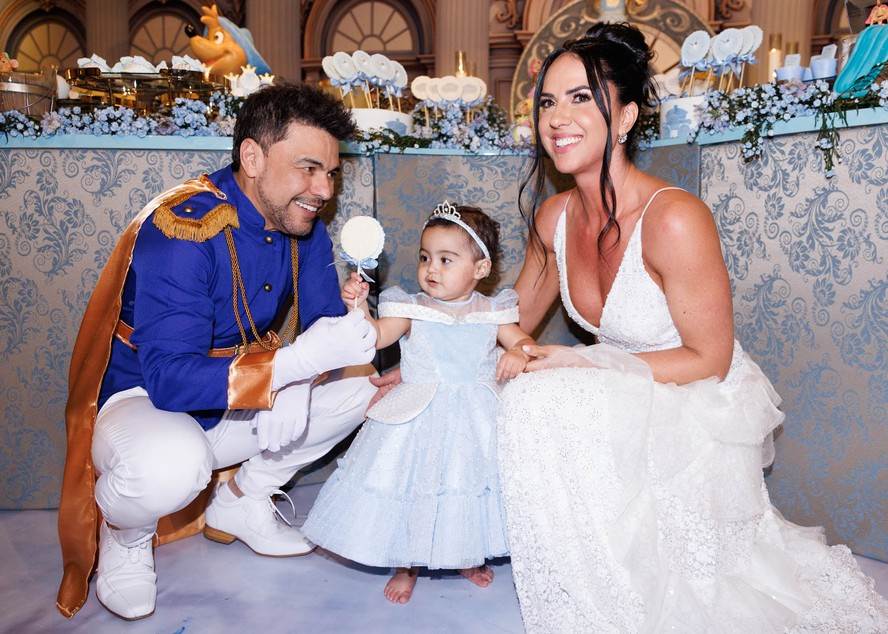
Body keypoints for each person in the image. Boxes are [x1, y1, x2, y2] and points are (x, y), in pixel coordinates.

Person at [494, 22, 888, 633]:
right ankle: (589, 593)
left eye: (580, 98)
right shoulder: (554, 217)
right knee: (521, 387)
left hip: (693, 399)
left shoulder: (674, 217)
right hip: (618, 392)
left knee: (545, 397)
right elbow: (507, 318)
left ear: (625, 118)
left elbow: (710, 358)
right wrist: (516, 345)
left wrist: (588, 361)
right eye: (547, 101)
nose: (557, 118)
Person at [56, 84, 380, 621]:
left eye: (330, 173)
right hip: (145, 401)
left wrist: (300, 380)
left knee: (365, 386)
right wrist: (288, 371)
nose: (323, 189)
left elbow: (325, 326)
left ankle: (242, 502)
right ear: (253, 158)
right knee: (170, 466)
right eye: (307, 169)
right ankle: (126, 537)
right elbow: (170, 381)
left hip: (236, 404)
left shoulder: (303, 226)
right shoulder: (183, 227)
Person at [302, 203, 535, 604]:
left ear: (480, 268)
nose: (431, 269)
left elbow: (526, 344)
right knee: (413, 489)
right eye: (426, 257)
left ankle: (465, 553)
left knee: (468, 486)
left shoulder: (492, 312)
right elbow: (376, 337)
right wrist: (359, 306)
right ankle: (406, 563)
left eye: (446, 260)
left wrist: (517, 352)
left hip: (475, 419)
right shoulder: (413, 309)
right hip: (420, 416)